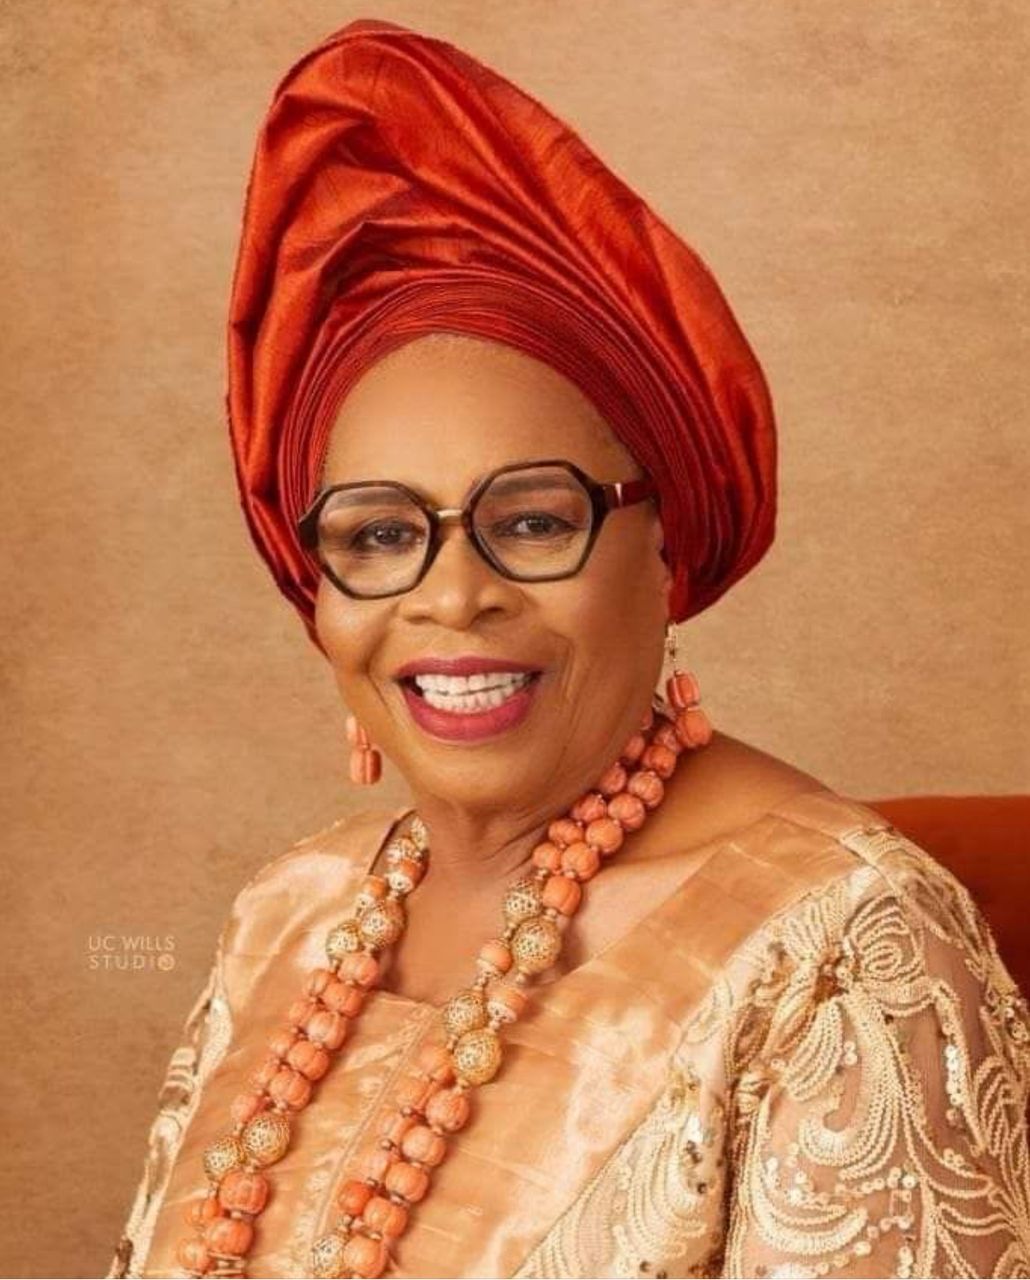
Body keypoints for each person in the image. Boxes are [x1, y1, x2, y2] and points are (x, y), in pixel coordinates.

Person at [108, 18, 1029, 1280]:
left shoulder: (841, 948)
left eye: (533, 519)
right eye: (379, 534)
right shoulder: (292, 913)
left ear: (668, 550)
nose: (454, 596)